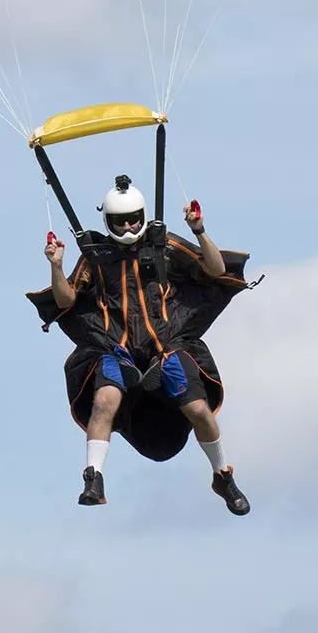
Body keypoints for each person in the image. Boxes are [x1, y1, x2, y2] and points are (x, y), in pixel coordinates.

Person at [27, 175, 251, 514]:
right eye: (121, 220)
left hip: (167, 345)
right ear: (109, 221)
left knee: (197, 409)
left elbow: (215, 270)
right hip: (117, 349)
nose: (129, 225)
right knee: (104, 399)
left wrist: (199, 230)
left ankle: (222, 475)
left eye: (134, 218)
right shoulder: (95, 257)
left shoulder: (164, 245)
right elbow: (66, 299)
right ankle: (93, 477)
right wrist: (56, 267)